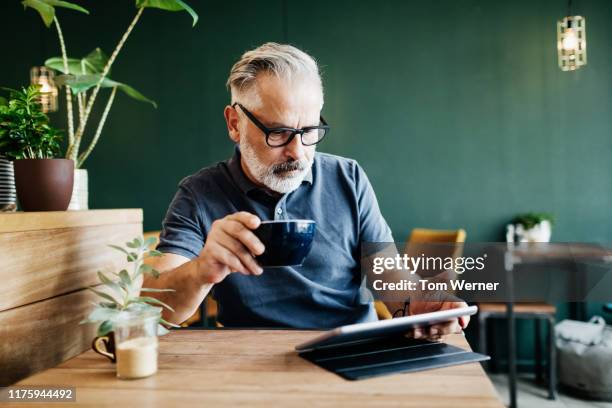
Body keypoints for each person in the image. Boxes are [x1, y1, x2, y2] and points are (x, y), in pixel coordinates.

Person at [144, 42, 469, 338]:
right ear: (235, 124)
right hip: (250, 360)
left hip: (352, 348)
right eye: (280, 133)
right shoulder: (199, 194)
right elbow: (154, 306)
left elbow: (390, 278)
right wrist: (201, 271)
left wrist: (417, 303)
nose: (298, 152)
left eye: (309, 130)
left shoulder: (348, 177)